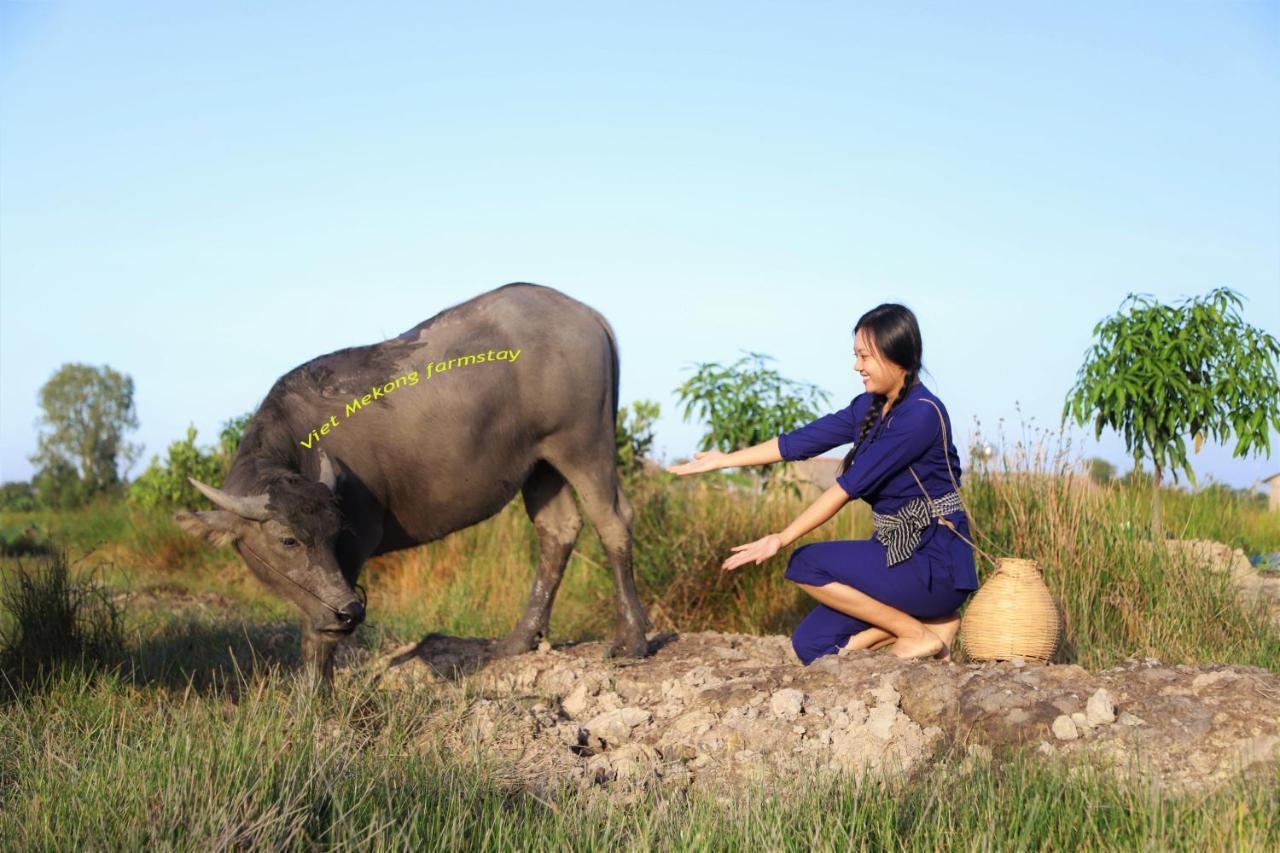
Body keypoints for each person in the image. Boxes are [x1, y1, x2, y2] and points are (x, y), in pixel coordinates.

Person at [665, 303, 978, 663]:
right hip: (897, 556)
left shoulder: (921, 415)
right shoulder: (868, 407)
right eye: (855, 356)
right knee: (811, 645)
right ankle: (933, 626)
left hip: (935, 565)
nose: (857, 366)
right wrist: (725, 460)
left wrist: (780, 539)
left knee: (805, 563)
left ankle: (913, 631)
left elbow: (844, 490)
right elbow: (797, 443)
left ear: (897, 355)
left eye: (865, 356)